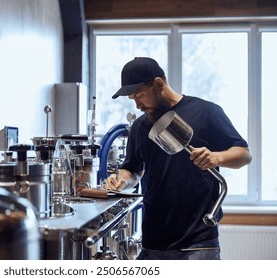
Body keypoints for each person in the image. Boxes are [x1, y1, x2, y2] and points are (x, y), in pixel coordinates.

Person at [106, 57, 252, 260]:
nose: (138, 105)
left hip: (198, 243)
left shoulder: (207, 112)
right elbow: (132, 169)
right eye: (133, 99)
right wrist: (121, 180)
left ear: (158, 83)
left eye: (140, 95)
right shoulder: (140, 127)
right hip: (153, 244)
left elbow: (244, 154)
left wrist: (216, 157)